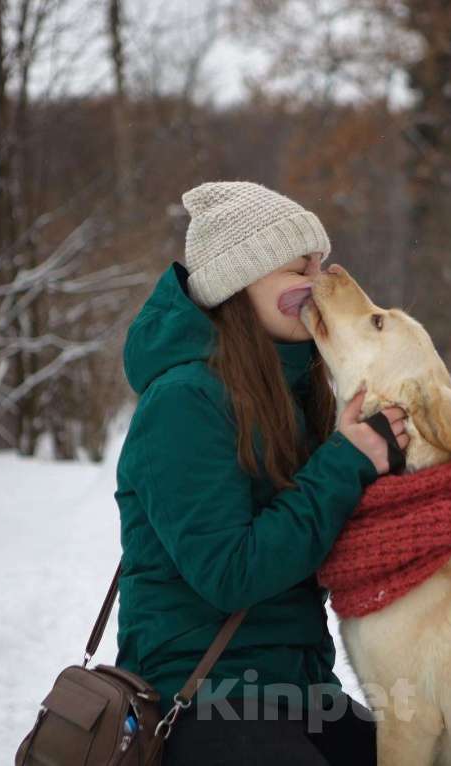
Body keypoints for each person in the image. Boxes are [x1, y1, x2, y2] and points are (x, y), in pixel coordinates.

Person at [113, 181, 409, 765]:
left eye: (320, 263)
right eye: (299, 268)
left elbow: (320, 538)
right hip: (198, 697)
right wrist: (345, 464)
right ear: (237, 284)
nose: (320, 282)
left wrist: (391, 470)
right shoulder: (184, 401)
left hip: (295, 688)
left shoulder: (295, 389)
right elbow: (230, 573)